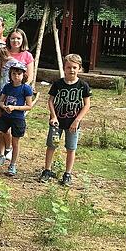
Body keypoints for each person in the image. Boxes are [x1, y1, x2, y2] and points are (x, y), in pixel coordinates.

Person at [39, 54, 91, 187]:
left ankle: (67, 173)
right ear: (64, 68)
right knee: (51, 145)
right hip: (57, 122)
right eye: (69, 67)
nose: (71, 70)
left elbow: (86, 105)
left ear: (79, 68)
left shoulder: (83, 86)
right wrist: (53, 116)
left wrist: (77, 120)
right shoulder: (58, 84)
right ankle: (47, 170)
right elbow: (50, 100)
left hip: (73, 123)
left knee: (71, 148)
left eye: (74, 67)